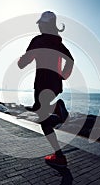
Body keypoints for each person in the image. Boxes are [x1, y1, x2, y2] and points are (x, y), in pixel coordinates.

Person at [18, 11, 74, 167]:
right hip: (56, 85)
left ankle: (56, 107)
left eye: (40, 23)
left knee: (43, 119)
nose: (39, 26)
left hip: (42, 84)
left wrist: (20, 60)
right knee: (40, 112)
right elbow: (71, 60)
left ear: (45, 24)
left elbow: (23, 64)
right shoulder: (58, 43)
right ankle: (59, 155)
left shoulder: (38, 41)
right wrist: (63, 76)